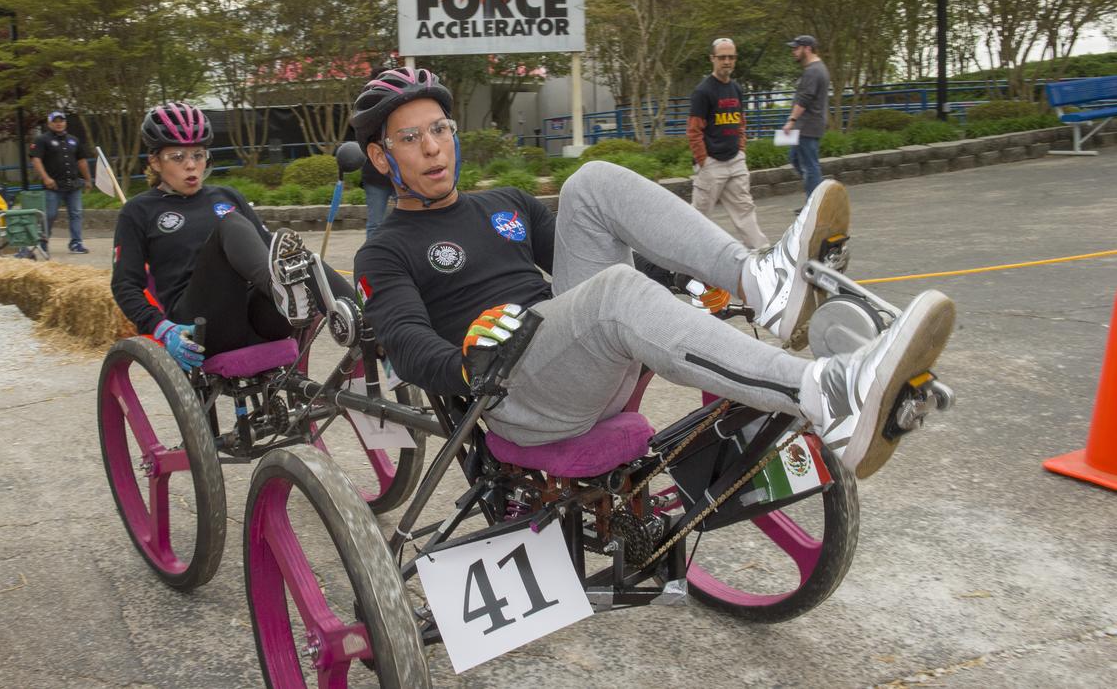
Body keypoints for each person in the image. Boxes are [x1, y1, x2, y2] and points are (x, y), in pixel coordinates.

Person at [349, 67, 955, 480]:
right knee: (616, 294)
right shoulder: (383, 251)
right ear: (381, 158)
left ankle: (759, 280)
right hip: (513, 394)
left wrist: (689, 285)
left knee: (588, 183)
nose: (434, 148)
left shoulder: (504, 203)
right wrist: (464, 362)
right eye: (411, 138)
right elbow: (404, 346)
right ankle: (826, 393)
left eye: (440, 130)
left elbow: (599, 261)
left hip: (581, 356)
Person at [111, 102, 354, 369]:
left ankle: (371, 323)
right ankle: (279, 288)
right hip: (203, 325)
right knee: (231, 224)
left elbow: (268, 248)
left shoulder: (226, 196)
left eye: (199, 155)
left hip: (261, 318)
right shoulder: (138, 211)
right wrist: (160, 328)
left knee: (296, 258)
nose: (192, 166)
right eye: (178, 157)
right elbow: (125, 285)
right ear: (155, 161)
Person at [687, 38, 768, 249]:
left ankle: (763, 256)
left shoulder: (736, 89)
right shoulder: (703, 92)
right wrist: (704, 162)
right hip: (711, 164)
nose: (727, 61)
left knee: (745, 211)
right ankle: (686, 259)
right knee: (698, 217)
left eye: (731, 57)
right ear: (712, 59)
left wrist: (741, 149)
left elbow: (741, 121)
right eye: (722, 57)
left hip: (735, 161)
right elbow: (694, 130)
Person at [31, 110, 93, 254]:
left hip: (73, 184)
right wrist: (45, 178)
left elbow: (82, 161)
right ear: (49, 123)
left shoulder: (73, 140)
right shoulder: (42, 140)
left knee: (76, 213)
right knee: (50, 214)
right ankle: (43, 241)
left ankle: (76, 243)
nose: (59, 124)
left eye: (61, 121)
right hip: (53, 185)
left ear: (65, 122)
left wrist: (88, 179)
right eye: (55, 121)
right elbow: (36, 159)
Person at [782, 35, 831, 204]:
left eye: (796, 48)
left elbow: (805, 98)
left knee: (810, 166)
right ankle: (817, 195)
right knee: (795, 159)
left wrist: (791, 120)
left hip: (808, 126)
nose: (793, 52)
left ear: (807, 48)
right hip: (806, 126)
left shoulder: (813, 71)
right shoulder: (817, 68)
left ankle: (816, 205)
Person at [361, 157, 396, 238]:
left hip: (403, 179)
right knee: (375, 224)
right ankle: (372, 250)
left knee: (410, 220)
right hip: (375, 179)